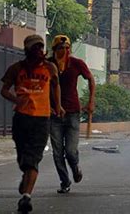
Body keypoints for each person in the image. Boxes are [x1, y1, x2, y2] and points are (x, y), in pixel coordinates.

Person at [0, 34, 63, 213]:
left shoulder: (50, 68)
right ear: (27, 50)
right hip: (21, 118)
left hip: (42, 119)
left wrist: (58, 107)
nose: (39, 51)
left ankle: (26, 197)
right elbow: (4, 90)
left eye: (41, 47)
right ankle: (25, 174)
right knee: (23, 158)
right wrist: (16, 100)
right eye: (35, 48)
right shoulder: (16, 69)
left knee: (33, 159)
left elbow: (56, 86)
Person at [48, 35, 95, 193]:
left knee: (70, 151)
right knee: (57, 152)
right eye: (61, 48)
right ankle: (65, 181)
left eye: (67, 48)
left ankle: (75, 168)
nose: (65, 51)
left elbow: (90, 79)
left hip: (73, 112)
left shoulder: (76, 63)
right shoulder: (48, 64)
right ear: (54, 50)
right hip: (54, 114)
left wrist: (91, 101)